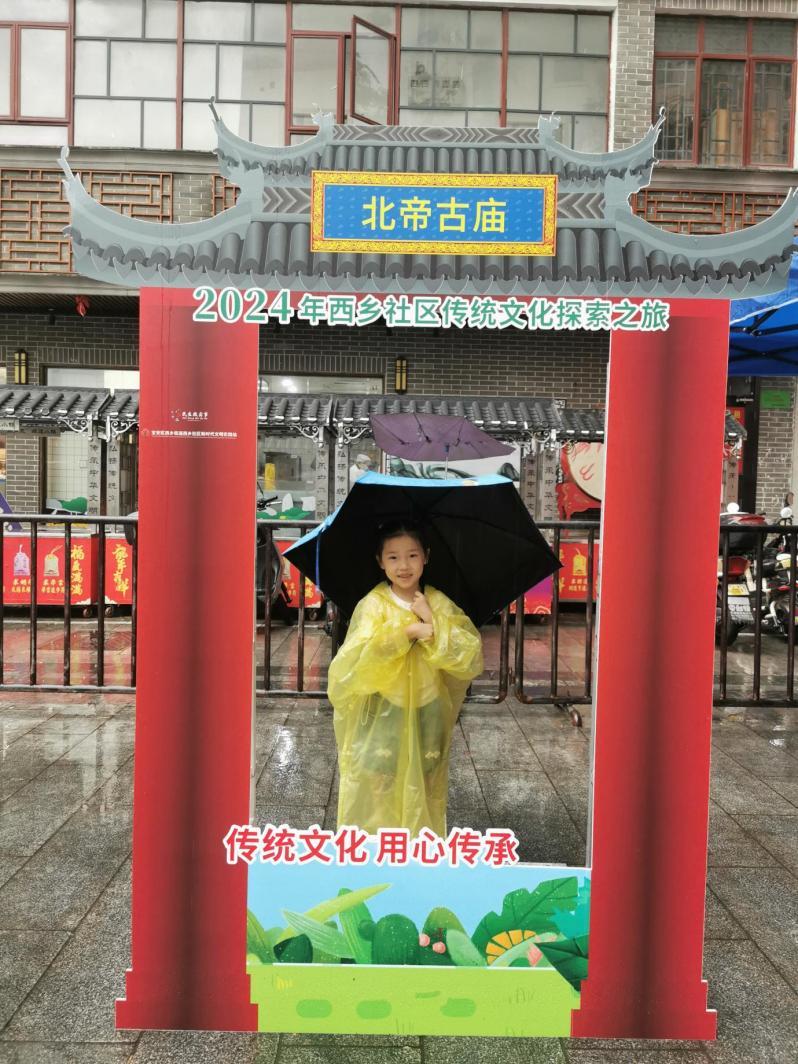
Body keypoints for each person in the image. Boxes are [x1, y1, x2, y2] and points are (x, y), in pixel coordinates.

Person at [327, 519, 483, 837]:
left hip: (428, 707)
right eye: (393, 557)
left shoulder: (437, 602)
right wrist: (408, 631)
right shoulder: (373, 605)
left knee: (426, 782)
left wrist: (432, 620)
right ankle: (378, 846)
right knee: (379, 780)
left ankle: (419, 846)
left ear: (426, 557)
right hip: (385, 708)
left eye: (412, 555)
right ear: (380, 562)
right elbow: (356, 661)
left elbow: (469, 654)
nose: (404, 566)